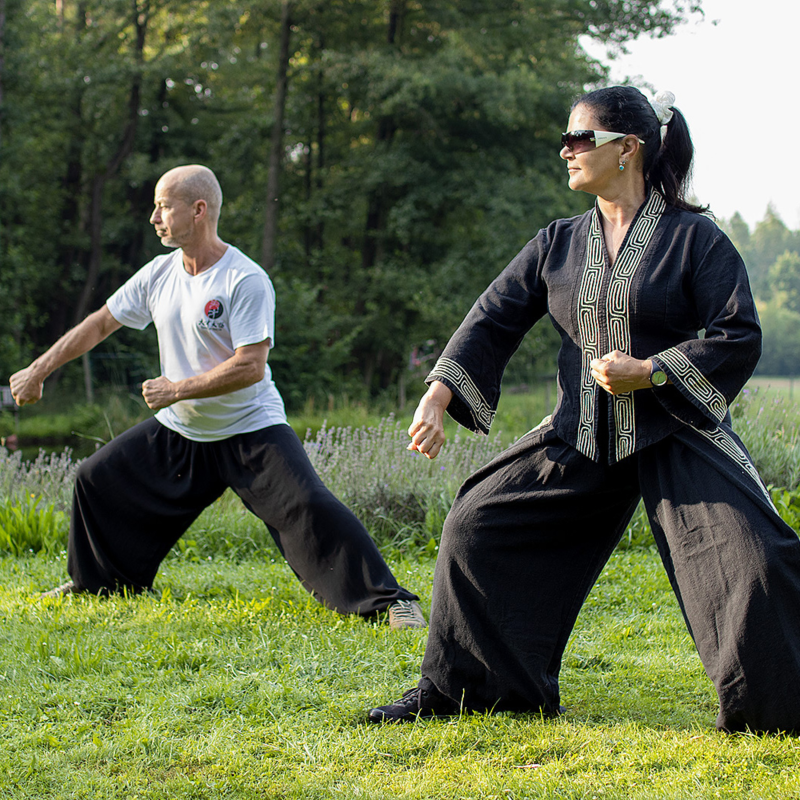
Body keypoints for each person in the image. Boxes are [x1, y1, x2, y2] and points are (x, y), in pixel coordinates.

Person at [368, 87, 800, 731]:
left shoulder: (696, 241)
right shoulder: (558, 244)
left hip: (677, 432)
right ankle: (476, 689)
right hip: (582, 436)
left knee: (755, 557)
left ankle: (778, 709)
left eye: (581, 139)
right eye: (565, 139)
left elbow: (737, 334)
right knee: (475, 524)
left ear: (628, 149)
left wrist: (650, 371)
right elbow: (493, 318)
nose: (566, 151)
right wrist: (438, 391)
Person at [9, 164, 425, 630]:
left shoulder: (244, 280)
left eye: (164, 206)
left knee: (310, 507)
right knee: (95, 479)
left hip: (250, 430)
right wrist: (38, 368)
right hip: (183, 431)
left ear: (198, 209)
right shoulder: (159, 274)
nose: (154, 218)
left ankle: (391, 602)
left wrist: (175, 388)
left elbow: (251, 366)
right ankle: (99, 582)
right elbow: (101, 322)